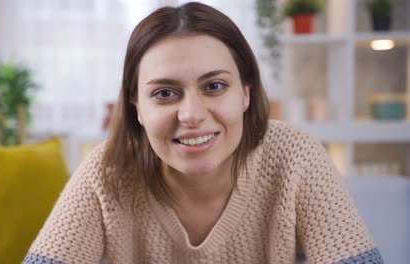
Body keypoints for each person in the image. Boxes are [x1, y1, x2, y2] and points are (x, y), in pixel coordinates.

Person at [23, 2, 383, 263]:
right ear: (137, 107)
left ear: (246, 92)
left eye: (214, 86)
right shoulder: (107, 171)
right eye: (164, 93)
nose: (192, 115)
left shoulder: (295, 154)